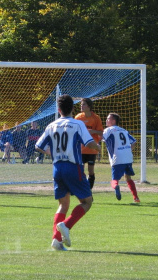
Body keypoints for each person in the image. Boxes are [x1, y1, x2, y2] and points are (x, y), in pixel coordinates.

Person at [35, 94, 101, 251]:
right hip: (74, 167)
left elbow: (38, 146)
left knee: (63, 205)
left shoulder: (51, 125)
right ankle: (66, 225)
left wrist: (51, 153)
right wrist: (98, 148)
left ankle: (56, 241)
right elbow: (89, 143)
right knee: (87, 201)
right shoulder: (77, 124)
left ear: (58, 110)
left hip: (57, 168)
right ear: (72, 108)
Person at [103, 113, 140, 203]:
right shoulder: (124, 130)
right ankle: (136, 198)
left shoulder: (108, 130)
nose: (106, 120)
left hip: (117, 158)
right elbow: (134, 142)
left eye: (108, 119)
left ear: (113, 121)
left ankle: (116, 186)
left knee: (114, 180)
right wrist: (127, 150)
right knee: (128, 177)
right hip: (128, 157)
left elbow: (100, 138)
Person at [75, 98, 103, 189]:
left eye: (83, 104)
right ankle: (82, 189)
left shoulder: (96, 118)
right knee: (80, 171)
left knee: (91, 171)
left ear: (89, 106)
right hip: (81, 149)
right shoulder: (78, 117)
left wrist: (93, 131)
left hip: (92, 149)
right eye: (81, 104)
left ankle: (89, 191)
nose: (81, 106)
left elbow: (101, 132)